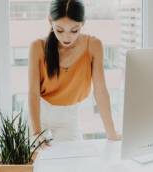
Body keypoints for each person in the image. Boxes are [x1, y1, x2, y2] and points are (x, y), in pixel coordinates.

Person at [28, 0, 121, 143]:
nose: (66, 37)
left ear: (83, 23)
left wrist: (111, 133)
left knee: (73, 161)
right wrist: (36, 133)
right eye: (59, 30)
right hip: (39, 114)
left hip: (69, 116)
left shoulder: (93, 45)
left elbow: (101, 91)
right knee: (36, 161)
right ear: (50, 21)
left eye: (74, 30)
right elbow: (33, 93)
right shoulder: (37, 47)